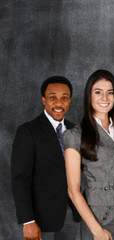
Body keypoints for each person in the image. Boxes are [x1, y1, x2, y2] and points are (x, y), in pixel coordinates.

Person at [63, 70, 114, 240]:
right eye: (98, 92)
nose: (105, 98)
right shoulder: (75, 135)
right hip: (98, 220)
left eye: (110, 92)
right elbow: (73, 190)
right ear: (89, 96)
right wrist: (96, 230)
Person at [11, 76, 80, 240]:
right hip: (41, 218)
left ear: (69, 100)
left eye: (64, 98)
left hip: (72, 215)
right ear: (44, 100)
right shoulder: (28, 131)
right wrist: (28, 221)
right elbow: (20, 179)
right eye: (52, 97)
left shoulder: (75, 130)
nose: (59, 103)